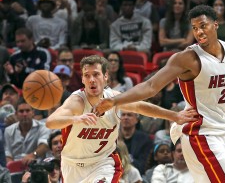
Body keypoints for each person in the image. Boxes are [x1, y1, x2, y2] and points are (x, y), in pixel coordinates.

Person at [93, 4, 225, 182]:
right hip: (200, 134)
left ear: (216, 24)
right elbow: (150, 86)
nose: (199, 32)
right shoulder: (187, 58)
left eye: (203, 25)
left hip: (222, 134)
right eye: (194, 28)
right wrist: (114, 101)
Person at [45, 55, 197, 183]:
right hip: (72, 165)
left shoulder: (114, 99)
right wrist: (76, 119)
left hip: (102, 163)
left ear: (105, 77)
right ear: (83, 80)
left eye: (96, 74)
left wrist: (174, 116)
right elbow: (50, 122)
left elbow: (140, 107)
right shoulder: (77, 102)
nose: (92, 79)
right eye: (87, 75)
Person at [4, 98, 51, 166]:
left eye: (27, 111)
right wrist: (12, 166)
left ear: (33, 113)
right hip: (17, 167)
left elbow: (44, 145)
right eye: (21, 111)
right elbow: (8, 153)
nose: (25, 114)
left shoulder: (43, 127)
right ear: (16, 114)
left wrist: (33, 155)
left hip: (37, 166)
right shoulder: (8, 130)